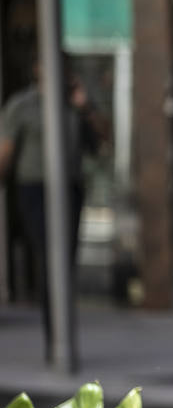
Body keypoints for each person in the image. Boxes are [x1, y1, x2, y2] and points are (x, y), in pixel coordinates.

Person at [0, 57, 108, 361]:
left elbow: (104, 139)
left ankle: (62, 336)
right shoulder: (22, 106)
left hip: (70, 188)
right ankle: (56, 340)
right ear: (38, 69)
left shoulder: (77, 104)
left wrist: (85, 108)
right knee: (51, 258)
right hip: (34, 189)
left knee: (65, 262)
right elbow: (5, 153)